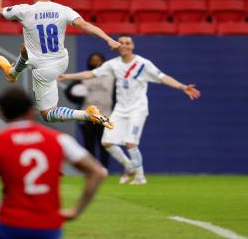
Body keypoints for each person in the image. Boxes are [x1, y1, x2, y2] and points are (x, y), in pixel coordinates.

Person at [0, 87, 107, 238]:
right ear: (31, 111)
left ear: (2, 114)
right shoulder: (60, 139)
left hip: (9, 224)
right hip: (48, 227)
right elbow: (97, 172)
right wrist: (75, 211)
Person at [59, 35, 201, 185]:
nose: (125, 45)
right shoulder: (113, 64)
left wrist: (182, 87)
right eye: (121, 43)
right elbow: (91, 74)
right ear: (118, 46)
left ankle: (140, 177)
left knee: (130, 143)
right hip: (120, 110)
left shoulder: (143, 64)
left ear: (132, 46)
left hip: (138, 109)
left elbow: (163, 77)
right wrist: (68, 76)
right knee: (107, 142)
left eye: (128, 43)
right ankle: (128, 166)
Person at [0, 0, 120, 128]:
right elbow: (84, 25)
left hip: (43, 69)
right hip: (61, 61)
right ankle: (12, 73)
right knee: (27, 50)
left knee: (48, 114)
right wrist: (109, 39)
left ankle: (86, 114)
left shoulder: (25, 10)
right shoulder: (63, 10)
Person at [70, 53, 114, 168]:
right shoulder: (84, 77)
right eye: (93, 60)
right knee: (89, 145)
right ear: (89, 62)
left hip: (105, 115)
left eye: (98, 60)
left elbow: (118, 96)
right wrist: (76, 96)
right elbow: (70, 92)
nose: (96, 63)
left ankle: (104, 169)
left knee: (105, 144)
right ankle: (91, 170)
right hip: (87, 115)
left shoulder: (111, 77)